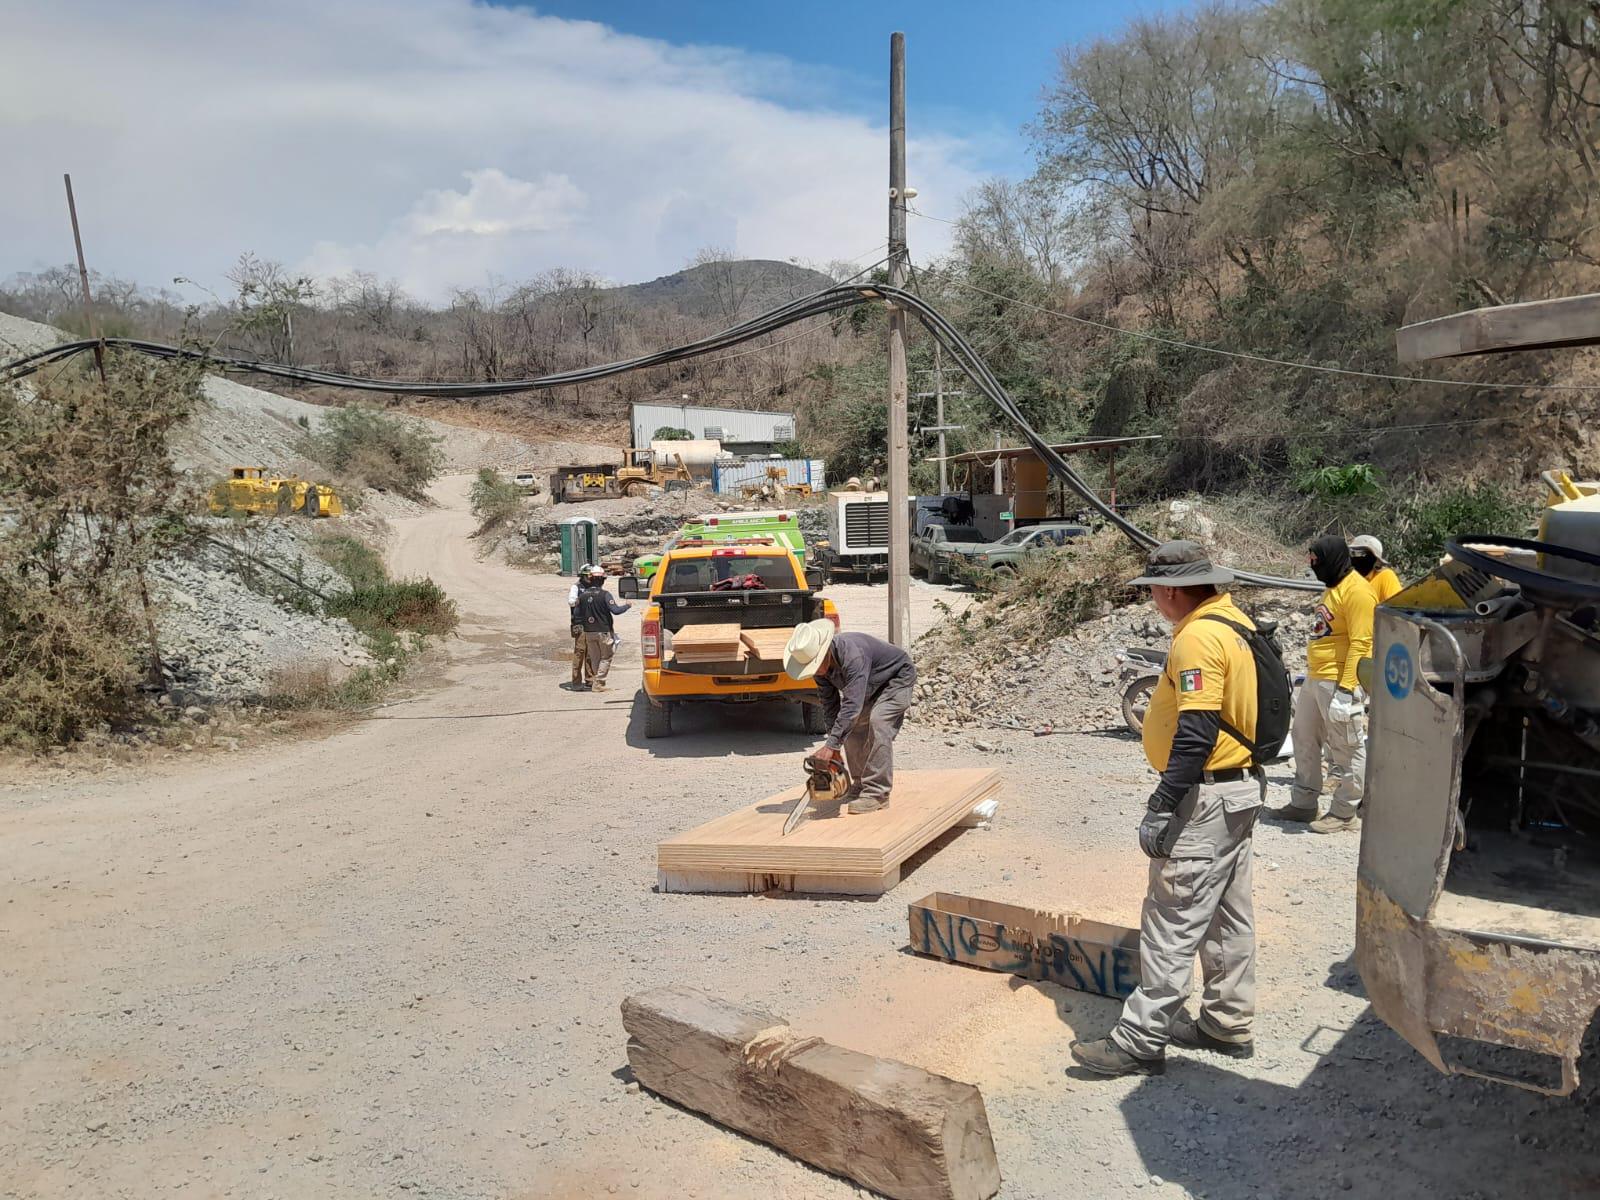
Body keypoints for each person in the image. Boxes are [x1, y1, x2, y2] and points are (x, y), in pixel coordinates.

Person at [1071, 541, 1265, 1078]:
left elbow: (1197, 731)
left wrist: (1163, 803)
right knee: (1227, 914)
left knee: (1171, 919)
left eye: (1154, 590)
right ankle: (1226, 1022)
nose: (1153, 599)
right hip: (1239, 790)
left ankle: (1139, 1041)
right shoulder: (1232, 622)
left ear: (1174, 589)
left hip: (1204, 797)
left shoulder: (1199, 637)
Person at [1276, 535, 1375, 834]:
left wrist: (1347, 690)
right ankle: (1304, 803)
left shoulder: (1358, 592)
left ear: (1332, 559)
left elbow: (1362, 642)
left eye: (1316, 561)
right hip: (1316, 677)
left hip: (1339, 680)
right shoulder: (1333, 588)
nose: (1313, 566)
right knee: (1303, 737)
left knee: (1347, 746)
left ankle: (1345, 812)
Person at [783, 620, 916, 813]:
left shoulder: (853, 656)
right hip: (869, 686)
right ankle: (860, 783)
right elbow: (830, 705)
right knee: (849, 727)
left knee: (879, 722)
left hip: (896, 679)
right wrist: (833, 744)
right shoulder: (821, 669)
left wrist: (832, 746)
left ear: (825, 650)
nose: (817, 671)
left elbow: (852, 704)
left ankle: (877, 793)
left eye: (816, 664)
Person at [573, 571, 630, 692]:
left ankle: (595, 681)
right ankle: (599, 683)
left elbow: (576, 614)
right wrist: (627, 606)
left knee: (595, 658)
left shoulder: (582, 596)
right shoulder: (605, 595)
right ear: (603, 581)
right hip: (603, 631)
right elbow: (616, 610)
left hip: (589, 632)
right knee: (606, 657)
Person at [567, 565, 597, 689]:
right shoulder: (576, 587)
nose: (590, 579)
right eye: (588, 576)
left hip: (592, 624)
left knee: (591, 652)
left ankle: (590, 679)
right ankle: (576, 681)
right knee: (580, 652)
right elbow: (572, 601)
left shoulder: (595, 588)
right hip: (580, 624)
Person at [1350, 534, 1402, 604]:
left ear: (1375, 559)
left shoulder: (1385, 576)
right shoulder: (1349, 578)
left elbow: (1397, 608)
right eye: (1353, 553)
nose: (1355, 558)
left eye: (1362, 554)